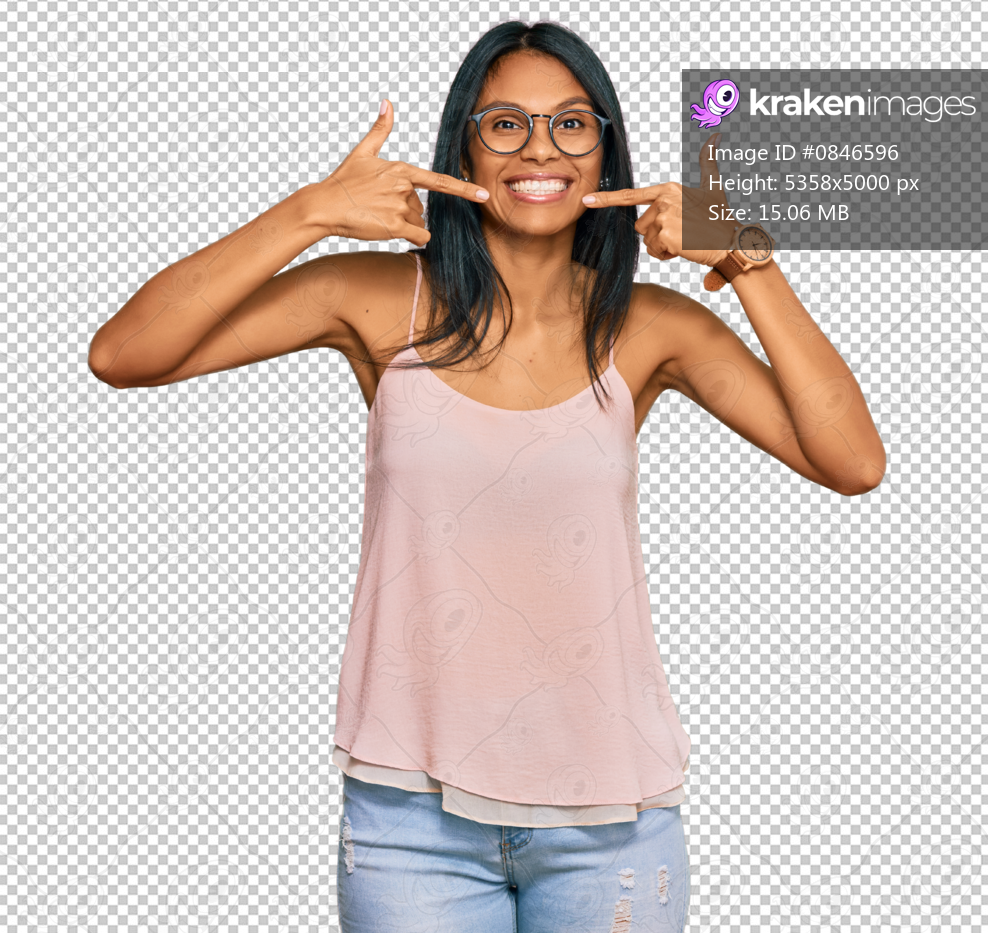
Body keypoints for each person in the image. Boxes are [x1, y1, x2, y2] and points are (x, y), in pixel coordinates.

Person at [88, 19, 886, 933]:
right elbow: (124, 353)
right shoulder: (378, 301)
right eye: (506, 124)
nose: (539, 149)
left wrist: (745, 254)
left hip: (610, 824)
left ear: (605, 150)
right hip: (409, 820)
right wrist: (311, 211)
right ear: (464, 147)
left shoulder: (650, 327)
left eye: (571, 124)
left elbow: (852, 460)